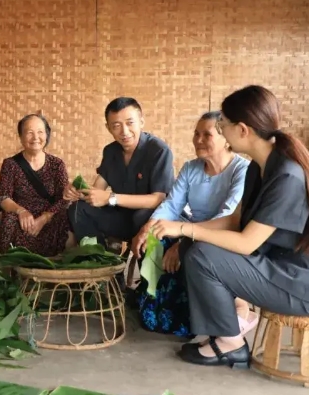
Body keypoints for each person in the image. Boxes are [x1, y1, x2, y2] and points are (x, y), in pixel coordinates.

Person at [150, 85, 309, 368]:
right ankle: (225, 330)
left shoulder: (286, 176)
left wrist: (186, 230)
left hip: (297, 283)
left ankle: (230, 342)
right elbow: (234, 220)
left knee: (202, 254)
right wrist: (179, 229)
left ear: (243, 130)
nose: (221, 130)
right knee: (197, 247)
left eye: (222, 125)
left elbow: (246, 242)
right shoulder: (258, 167)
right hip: (274, 267)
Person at [130, 111, 253, 338]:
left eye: (206, 135)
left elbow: (229, 218)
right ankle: (163, 305)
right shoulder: (191, 168)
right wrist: (147, 229)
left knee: (193, 251)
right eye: (196, 133)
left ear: (227, 138)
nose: (198, 140)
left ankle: (236, 306)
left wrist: (185, 242)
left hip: (223, 237)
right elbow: (171, 205)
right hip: (190, 230)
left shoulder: (242, 171)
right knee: (157, 236)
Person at [64, 97, 175, 247]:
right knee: (77, 208)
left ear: (141, 122)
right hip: (120, 218)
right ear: (108, 128)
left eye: (130, 123)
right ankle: (99, 259)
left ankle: (146, 268)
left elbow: (159, 199)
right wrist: (76, 192)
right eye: (116, 125)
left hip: (148, 220)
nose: (124, 132)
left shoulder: (158, 150)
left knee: (142, 215)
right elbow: (97, 190)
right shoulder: (110, 151)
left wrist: (111, 198)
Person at [0, 114, 70, 257]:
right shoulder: (10, 164)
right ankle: (10, 269)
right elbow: (3, 197)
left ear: (47, 135)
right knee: (8, 220)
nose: (35, 137)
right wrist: (20, 211)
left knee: (63, 216)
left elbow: (64, 199)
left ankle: (54, 270)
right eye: (29, 132)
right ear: (21, 136)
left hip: (49, 217)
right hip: (22, 219)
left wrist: (44, 218)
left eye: (40, 132)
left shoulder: (57, 164)